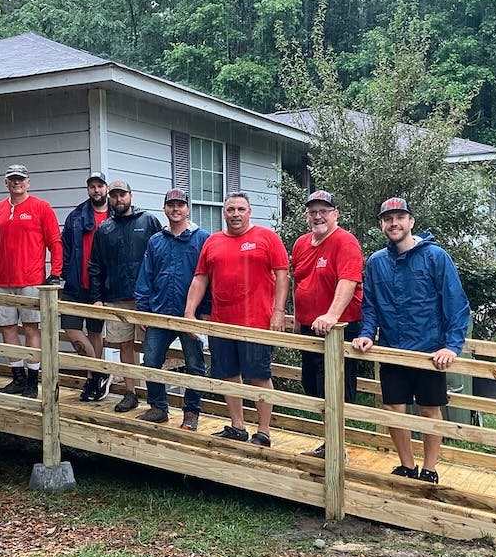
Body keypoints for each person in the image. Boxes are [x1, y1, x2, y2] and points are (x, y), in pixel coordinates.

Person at [351, 197, 470, 484]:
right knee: (393, 408)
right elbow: (370, 307)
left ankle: (429, 469)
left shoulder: (435, 257)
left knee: (429, 409)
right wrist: (367, 334)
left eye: (400, 217)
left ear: (411, 222)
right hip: (393, 350)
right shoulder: (377, 262)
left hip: (430, 351)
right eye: (388, 219)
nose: (394, 223)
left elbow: (456, 304)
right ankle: (407, 465)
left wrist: (451, 346)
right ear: (381, 225)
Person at [185, 191, 289, 447]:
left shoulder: (267, 237)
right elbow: (200, 278)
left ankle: (263, 432)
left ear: (249, 212)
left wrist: (278, 311)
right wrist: (189, 313)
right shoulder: (212, 241)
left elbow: (283, 275)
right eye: (230, 209)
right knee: (228, 373)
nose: (235, 214)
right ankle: (238, 426)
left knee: (258, 375)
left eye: (241, 209)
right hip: (222, 322)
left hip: (256, 321)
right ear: (224, 213)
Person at [0, 164, 63, 398]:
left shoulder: (41, 207)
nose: (17, 182)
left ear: (28, 182)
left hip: (31, 281)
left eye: (21, 179)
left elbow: (54, 242)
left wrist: (55, 272)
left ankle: (32, 382)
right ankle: (17, 377)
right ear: (6, 182)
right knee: (7, 329)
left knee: (30, 329)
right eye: (12, 179)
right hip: (2, 280)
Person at [291, 190, 364, 459]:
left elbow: (348, 281)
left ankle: (337, 448)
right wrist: (299, 320)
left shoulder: (345, 242)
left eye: (324, 211)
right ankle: (328, 443)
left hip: (338, 328)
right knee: (312, 385)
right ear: (306, 216)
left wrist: (332, 316)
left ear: (335, 214)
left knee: (334, 388)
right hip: (310, 327)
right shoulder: (300, 244)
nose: (318, 216)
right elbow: (298, 283)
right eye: (313, 212)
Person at [133, 187, 210, 429]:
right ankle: (158, 407)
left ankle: (191, 411)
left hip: (191, 315)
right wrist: (142, 310)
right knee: (151, 360)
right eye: (171, 205)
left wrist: (204, 312)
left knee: (195, 365)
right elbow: (146, 276)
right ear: (164, 208)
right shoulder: (156, 240)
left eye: (180, 205)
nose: (175, 209)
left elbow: (210, 278)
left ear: (188, 208)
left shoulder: (202, 238)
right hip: (160, 312)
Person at [86, 179, 162, 411]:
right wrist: (97, 297)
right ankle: (131, 393)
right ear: (110, 197)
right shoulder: (104, 229)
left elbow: (161, 258)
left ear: (131, 195)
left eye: (123, 195)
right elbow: (95, 266)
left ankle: (157, 400)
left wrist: (157, 294)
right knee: (124, 347)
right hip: (116, 298)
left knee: (152, 349)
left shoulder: (148, 221)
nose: (119, 200)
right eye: (115, 196)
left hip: (146, 300)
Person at [61, 171, 112, 401]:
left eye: (100, 186)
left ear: (106, 188)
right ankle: (99, 372)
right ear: (88, 190)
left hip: (100, 287)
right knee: (71, 328)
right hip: (75, 283)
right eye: (92, 186)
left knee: (95, 332)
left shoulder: (115, 215)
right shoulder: (77, 216)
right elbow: (65, 246)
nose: (96, 190)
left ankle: (93, 380)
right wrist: (64, 272)